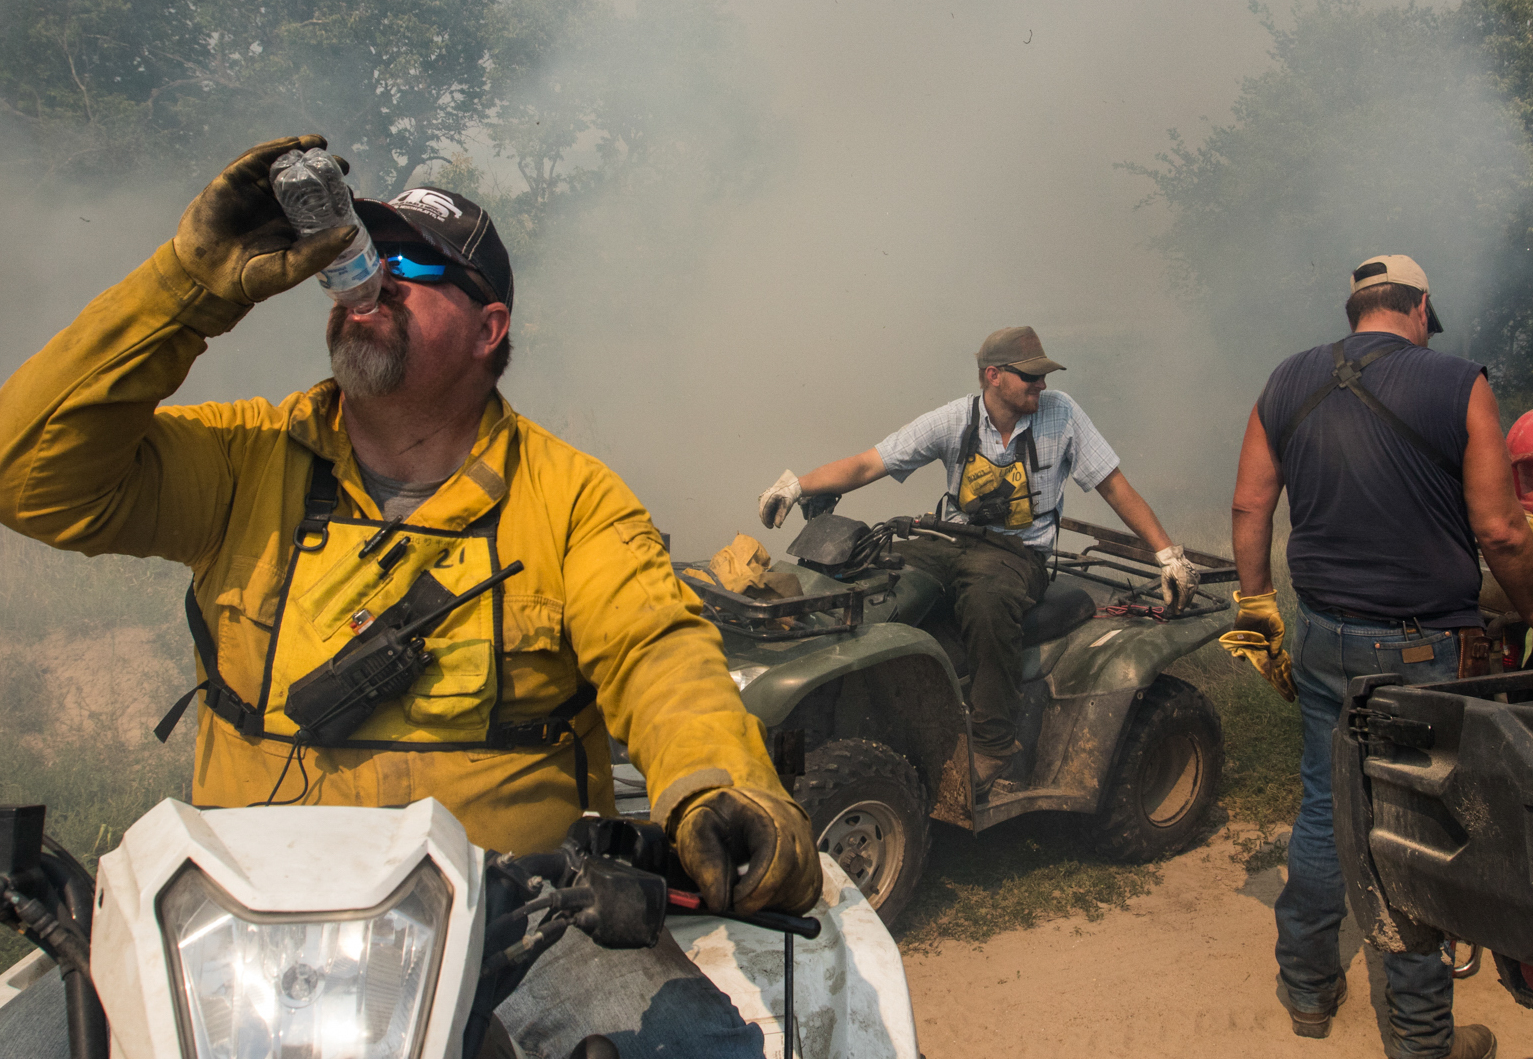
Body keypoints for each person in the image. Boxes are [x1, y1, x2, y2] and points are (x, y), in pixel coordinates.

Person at [0, 135, 818, 1059]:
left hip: (512, 929)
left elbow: (659, 654)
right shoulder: (242, 461)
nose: (374, 278)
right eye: (366, 252)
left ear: (488, 328)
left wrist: (717, 784)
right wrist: (191, 286)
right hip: (231, 923)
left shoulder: (573, 499)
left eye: (415, 266)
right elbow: (28, 476)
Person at [1227, 254, 1533, 1059]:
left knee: (1325, 802)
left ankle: (1307, 985)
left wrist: (1256, 607)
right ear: (1420, 307)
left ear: (1356, 309)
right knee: (1413, 825)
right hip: (1421, 649)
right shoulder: (1458, 382)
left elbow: (1251, 502)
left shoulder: (1285, 379)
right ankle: (1422, 1041)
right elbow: (1499, 529)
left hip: (1320, 633)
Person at [755, 325, 1199, 795]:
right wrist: (796, 486)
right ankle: (817, 717)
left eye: (1043, 376)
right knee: (877, 586)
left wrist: (1167, 555)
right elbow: (869, 463)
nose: (1041, 385)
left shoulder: (1062, 416)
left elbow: (1114, 485)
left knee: (988, 605)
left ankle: (992, 744)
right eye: (1030, 377)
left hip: (1018, 554)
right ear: (994, 377)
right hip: (946, 540)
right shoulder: (955, 420)